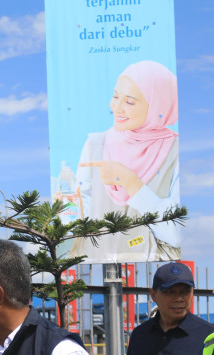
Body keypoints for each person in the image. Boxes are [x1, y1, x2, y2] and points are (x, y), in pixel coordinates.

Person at [70, 60, 181, 261]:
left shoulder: (175, 150)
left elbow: (175, 233)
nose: (117, 107)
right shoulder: (96, 145)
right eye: (115, 96)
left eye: (129, 102)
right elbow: (79, 216)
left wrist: (132, 183)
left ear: (158, 105)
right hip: (96, 262)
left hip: (152, 266)